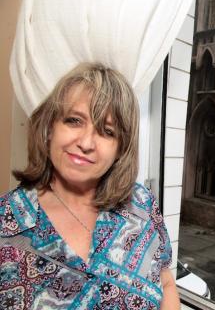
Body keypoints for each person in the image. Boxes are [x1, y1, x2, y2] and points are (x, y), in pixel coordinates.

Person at [0, 63, 180, 309]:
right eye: (74, 121)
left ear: (120, 149)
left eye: (107, 132)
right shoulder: (8, 222)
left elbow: (166, 281)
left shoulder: (142, 203)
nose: (86, 142)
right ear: (50, 127)